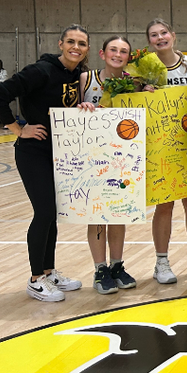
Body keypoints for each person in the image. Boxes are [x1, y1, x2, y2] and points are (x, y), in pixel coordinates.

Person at [0, 24, 93, 302]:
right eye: (71, 41)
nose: (75, 47)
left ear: (87, 50)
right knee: (44, 212)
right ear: (60, 44)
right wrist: (18, 128)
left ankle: (48, 271)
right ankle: (35, 280)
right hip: (32, 152)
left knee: (52, 214)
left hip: (58, 153)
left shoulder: (76, 75)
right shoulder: (41, 71)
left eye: (81, 44)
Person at [145, 18, 187, 284]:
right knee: (164, 205)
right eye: (154, 35)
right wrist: (142, 91)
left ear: (173, 35)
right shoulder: (142, 69)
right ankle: (162, 262)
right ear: (149, 41)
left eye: (163, 33)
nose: (160, 38)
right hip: (158, 144)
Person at [79, 36, 137, 294]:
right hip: (92, 156)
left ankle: (116, 265)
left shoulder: (134, 83)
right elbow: (72, 113)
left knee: (118, 212)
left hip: (123, 157)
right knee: (96, 215)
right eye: (113, 49)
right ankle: (99, 268)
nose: (118, 54)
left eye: (123, 51)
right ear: (102, 53)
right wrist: (82, 106)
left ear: (128, 57)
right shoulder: (86, 79)